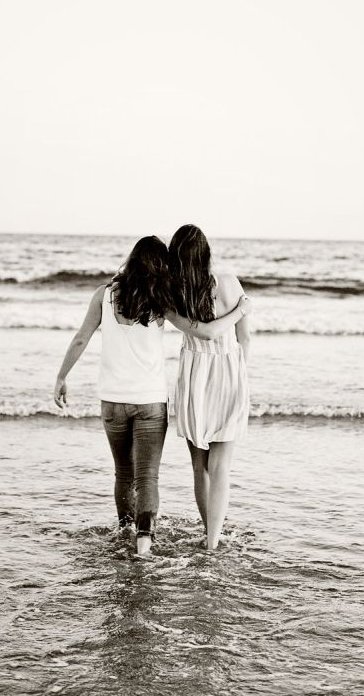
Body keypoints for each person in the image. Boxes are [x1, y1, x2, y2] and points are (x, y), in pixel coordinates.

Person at [53, 235, 251, 556]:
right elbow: (205, 330)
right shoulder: (161, 299)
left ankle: (125, 531)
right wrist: (240, 312)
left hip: (112, 402)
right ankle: (144, 541)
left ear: (131, 259)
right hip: (150, 402)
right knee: (148, 476)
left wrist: (62, 377)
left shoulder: (104, 295)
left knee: (123, 472)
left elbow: (80, 339)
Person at [168, 224, 251, 551]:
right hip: (228, 370)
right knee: (221, 466)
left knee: (200, 466)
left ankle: (209, 534)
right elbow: (243, 337)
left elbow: (200, 332)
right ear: (206, 253)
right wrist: (241, 374)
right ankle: (213, 542)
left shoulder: (172, 293)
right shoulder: (229, 283)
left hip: (194, 374)